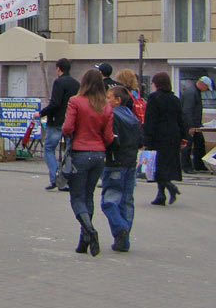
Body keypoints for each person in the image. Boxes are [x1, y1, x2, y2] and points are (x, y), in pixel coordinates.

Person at [62, 68, 114, 257]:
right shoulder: (106, 106)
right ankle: (84, 242)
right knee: (89, 195)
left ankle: (90, 230)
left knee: (77, 197)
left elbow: (67, 128)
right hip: (99, 154)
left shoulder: (75, 102)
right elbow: (108, 137)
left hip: (80, 153)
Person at [100, 85, 143, 252]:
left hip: (115, 162)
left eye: (108, 98)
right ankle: (123, 240)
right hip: (130, 162)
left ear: (117, 100)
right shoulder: (132, 116)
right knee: (126, 200)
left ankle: (120, 229)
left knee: (109, 201)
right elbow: (140, 141)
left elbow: (112, 140)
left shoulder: (112, 115)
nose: (106, 101)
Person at [143, 72, 187, 206]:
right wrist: (183, 137)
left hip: (158, 135)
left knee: (157, 165)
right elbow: (181, 119)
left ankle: (169, 187)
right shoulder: (175, 99)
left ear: (157, 83)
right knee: (166, 164)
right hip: (173, 135)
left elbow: (150, 120)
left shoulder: (153, 98)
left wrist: (146, 140)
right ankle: (161, 194)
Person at [37, 58, 79, 191]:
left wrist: (41, 113)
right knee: (68, 151)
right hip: (71, 121)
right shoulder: (76, 84)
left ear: (58, 68)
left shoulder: (59, 82)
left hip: (56, 121)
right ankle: (67, 179)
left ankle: (55, 177)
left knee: (49, 148)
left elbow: (55, 103)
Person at [179, 75, 211, 173]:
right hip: (189, 125)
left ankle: (199, 164)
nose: (206, 90)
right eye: (206, 87)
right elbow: (187, 111)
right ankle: (186, 167)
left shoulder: (195, 92)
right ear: (202, 84)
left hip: (196, 124)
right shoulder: (191, 93)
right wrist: (191, 126)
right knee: (187, 145)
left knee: (200, 143)